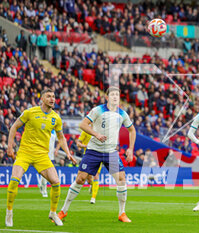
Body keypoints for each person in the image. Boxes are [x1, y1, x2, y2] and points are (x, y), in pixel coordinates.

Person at [58, 87, 136, 222]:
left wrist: (130, 149)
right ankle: (63, 211)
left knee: (122, 179)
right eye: (112, 95)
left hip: (111, 152)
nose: (115, 97)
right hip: (93, 150)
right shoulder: (98, 110)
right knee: (80, 179)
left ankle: (122, 213)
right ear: (107, 97)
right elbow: (83, 125)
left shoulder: (122, 114)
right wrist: (96, 134)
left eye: (117, 94)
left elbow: (132, 130)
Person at [5, 88, 76, 227]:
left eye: (54, 96)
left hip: (42, 155)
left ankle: (53, 213)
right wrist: (9, 146)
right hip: (25, 152)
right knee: (14, 180)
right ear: (42, 99)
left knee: (56, 182)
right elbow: (13, 127)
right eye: (49, 96)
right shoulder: (30, 112)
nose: (52, 99)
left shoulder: (56, 118)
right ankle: (9, 212)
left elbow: (61, 138)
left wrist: (67, 153)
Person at [76, 129, 102, 204]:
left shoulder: (100, 130)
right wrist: (86, 146)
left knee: (96, 175)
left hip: (98, 155)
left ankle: (93, 198)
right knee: (89, 178)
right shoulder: (85, 131)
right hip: (88, 156)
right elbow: (78, 144)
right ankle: (92, 185)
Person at [38, 130, 57, 197]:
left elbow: (60, 140)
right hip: (45, 155)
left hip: (51, 156)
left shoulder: (54, 132)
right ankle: (44, 190)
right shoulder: (44, 131)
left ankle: (41, 185)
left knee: (49, 174)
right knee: (45, 173)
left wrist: (56, 149)